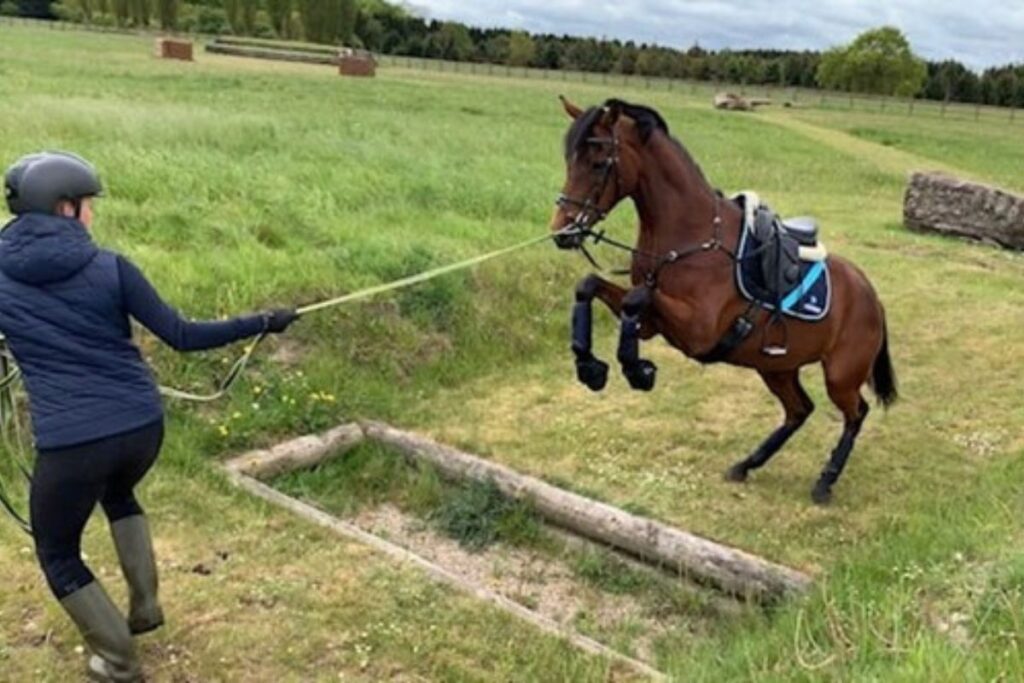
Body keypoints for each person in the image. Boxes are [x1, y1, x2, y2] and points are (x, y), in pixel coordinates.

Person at [0, 151, 298, 682]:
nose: (92, 215)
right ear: (64, 209)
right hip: (141, 429)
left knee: (57, 551)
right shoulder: (110, 266)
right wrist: (263, 322)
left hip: (72, 444)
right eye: (87, 204)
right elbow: (182, 336)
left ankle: (117, 660)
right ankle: (144, 608)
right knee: (117, 493)